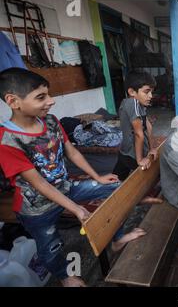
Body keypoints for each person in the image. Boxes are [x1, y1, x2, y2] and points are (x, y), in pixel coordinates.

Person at [0, 68, 146, 287]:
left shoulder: (50, 121)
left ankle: (117, 239)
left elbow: (72, 151)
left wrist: (98, 176)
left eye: (48, 94)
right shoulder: (7, 140)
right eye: (41, 97)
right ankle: (64, 276)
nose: (50, 101)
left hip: (66, 187)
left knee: (116, 188)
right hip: (37, 207)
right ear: (13, 101)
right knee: (50, 246)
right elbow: (37, 183)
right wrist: (77, 209)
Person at [112, 71, 162, 204]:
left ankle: (120, 194)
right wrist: (140, 159)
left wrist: (152, 148)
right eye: (146, 92)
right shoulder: (131, 104)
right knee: (139, 175)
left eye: (151, 91)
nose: (150, 96)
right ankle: (135, 198)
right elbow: (139, 133)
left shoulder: (139, 104)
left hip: (128, 150)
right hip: (131, 152)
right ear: (132, 92)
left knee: (118, 177)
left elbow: (148, 127)